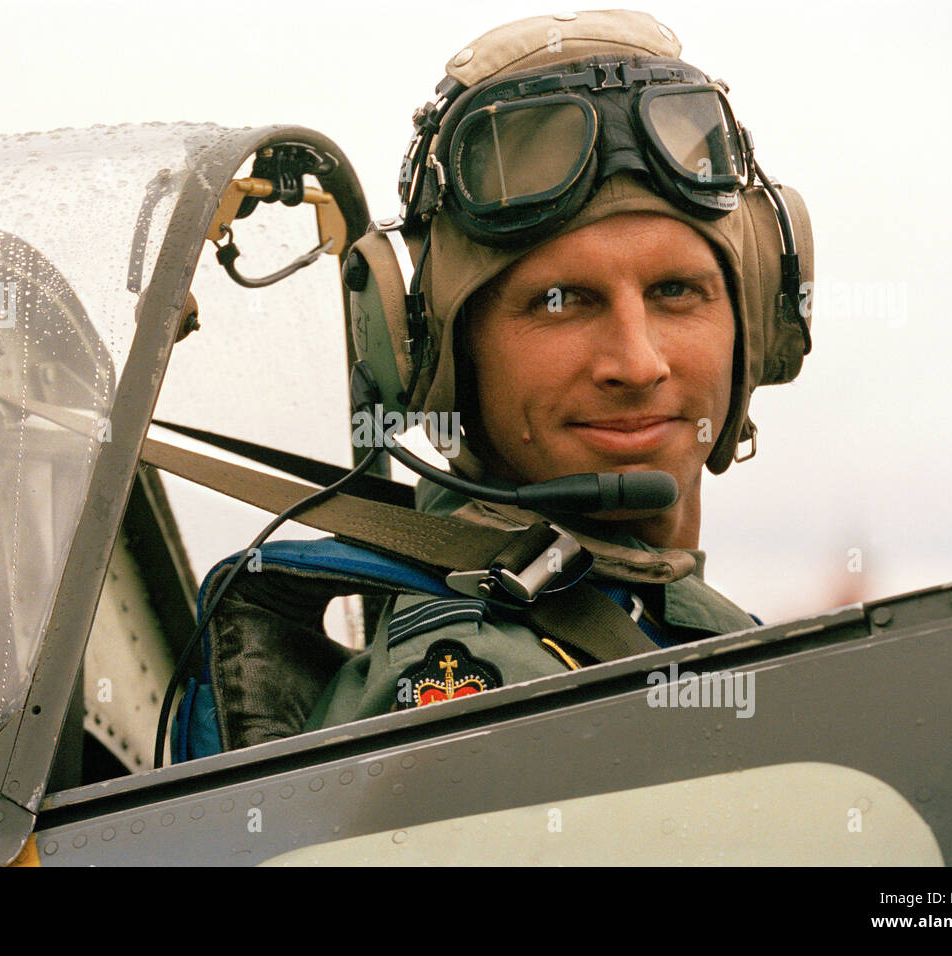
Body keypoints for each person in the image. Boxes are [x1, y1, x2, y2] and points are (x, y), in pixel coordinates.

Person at [300, 8, 814, 730]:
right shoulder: (482, 690)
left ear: (757, 321)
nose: (637, 364)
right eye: (561, 301)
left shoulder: (676, 627)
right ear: (437, 354)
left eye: (675, 292)